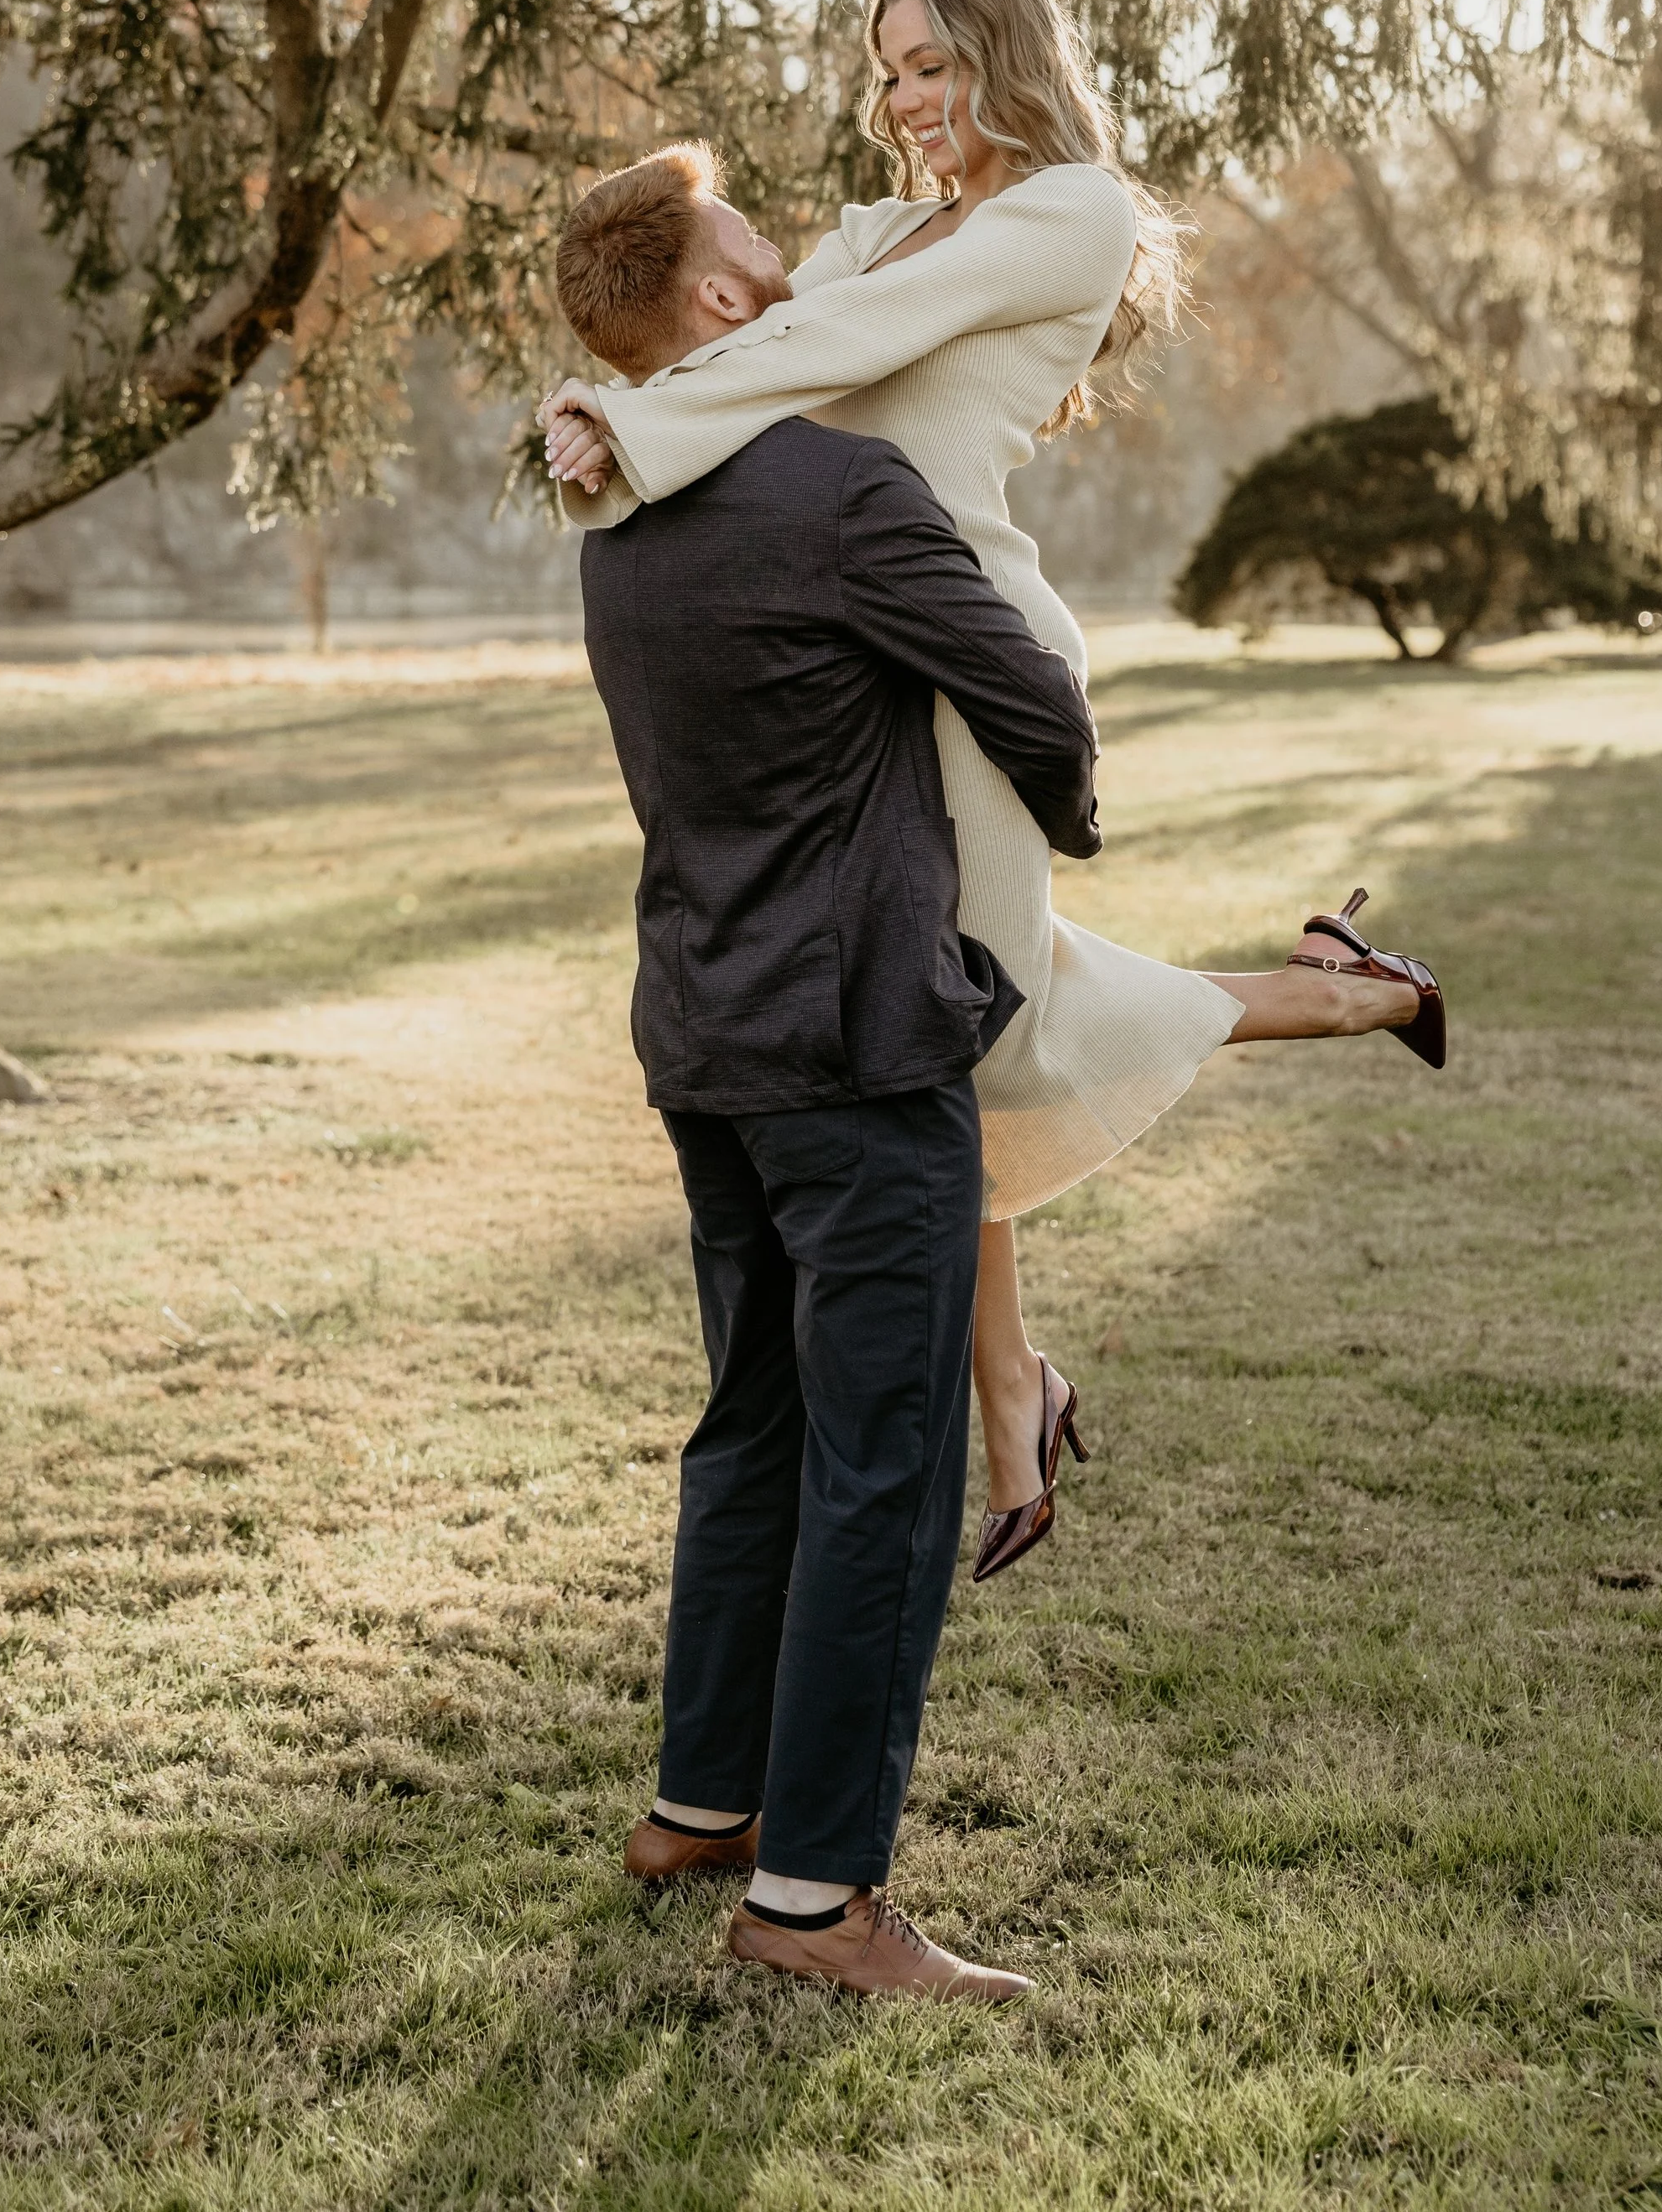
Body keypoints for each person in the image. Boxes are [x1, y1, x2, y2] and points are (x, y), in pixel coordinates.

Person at [543, 0, 1446, 1580]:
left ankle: (1341, 992)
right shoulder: (880, 225)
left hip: (965, 655)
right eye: (884, 70)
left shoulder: (1071, 211)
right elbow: (745, 345)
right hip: (848, 662)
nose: (901, 99)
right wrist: (597, 409)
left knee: (967, 1017)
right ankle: (1015, 1382)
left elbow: (835, 343)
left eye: (928, 62)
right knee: (930, 1037)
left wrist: (629, 425)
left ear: (998, 53)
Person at [566, 159, 1110, 2001]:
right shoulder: (834, 491)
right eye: (759, 259)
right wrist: (1069, 828)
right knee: (878, 1466)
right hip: (861, 1044)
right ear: (718, 313)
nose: (791, 275)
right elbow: (1025, 690)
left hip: (702, 1038)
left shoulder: (614, 516)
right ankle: (812, 1902)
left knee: (751, 1428)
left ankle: (696, 1804)